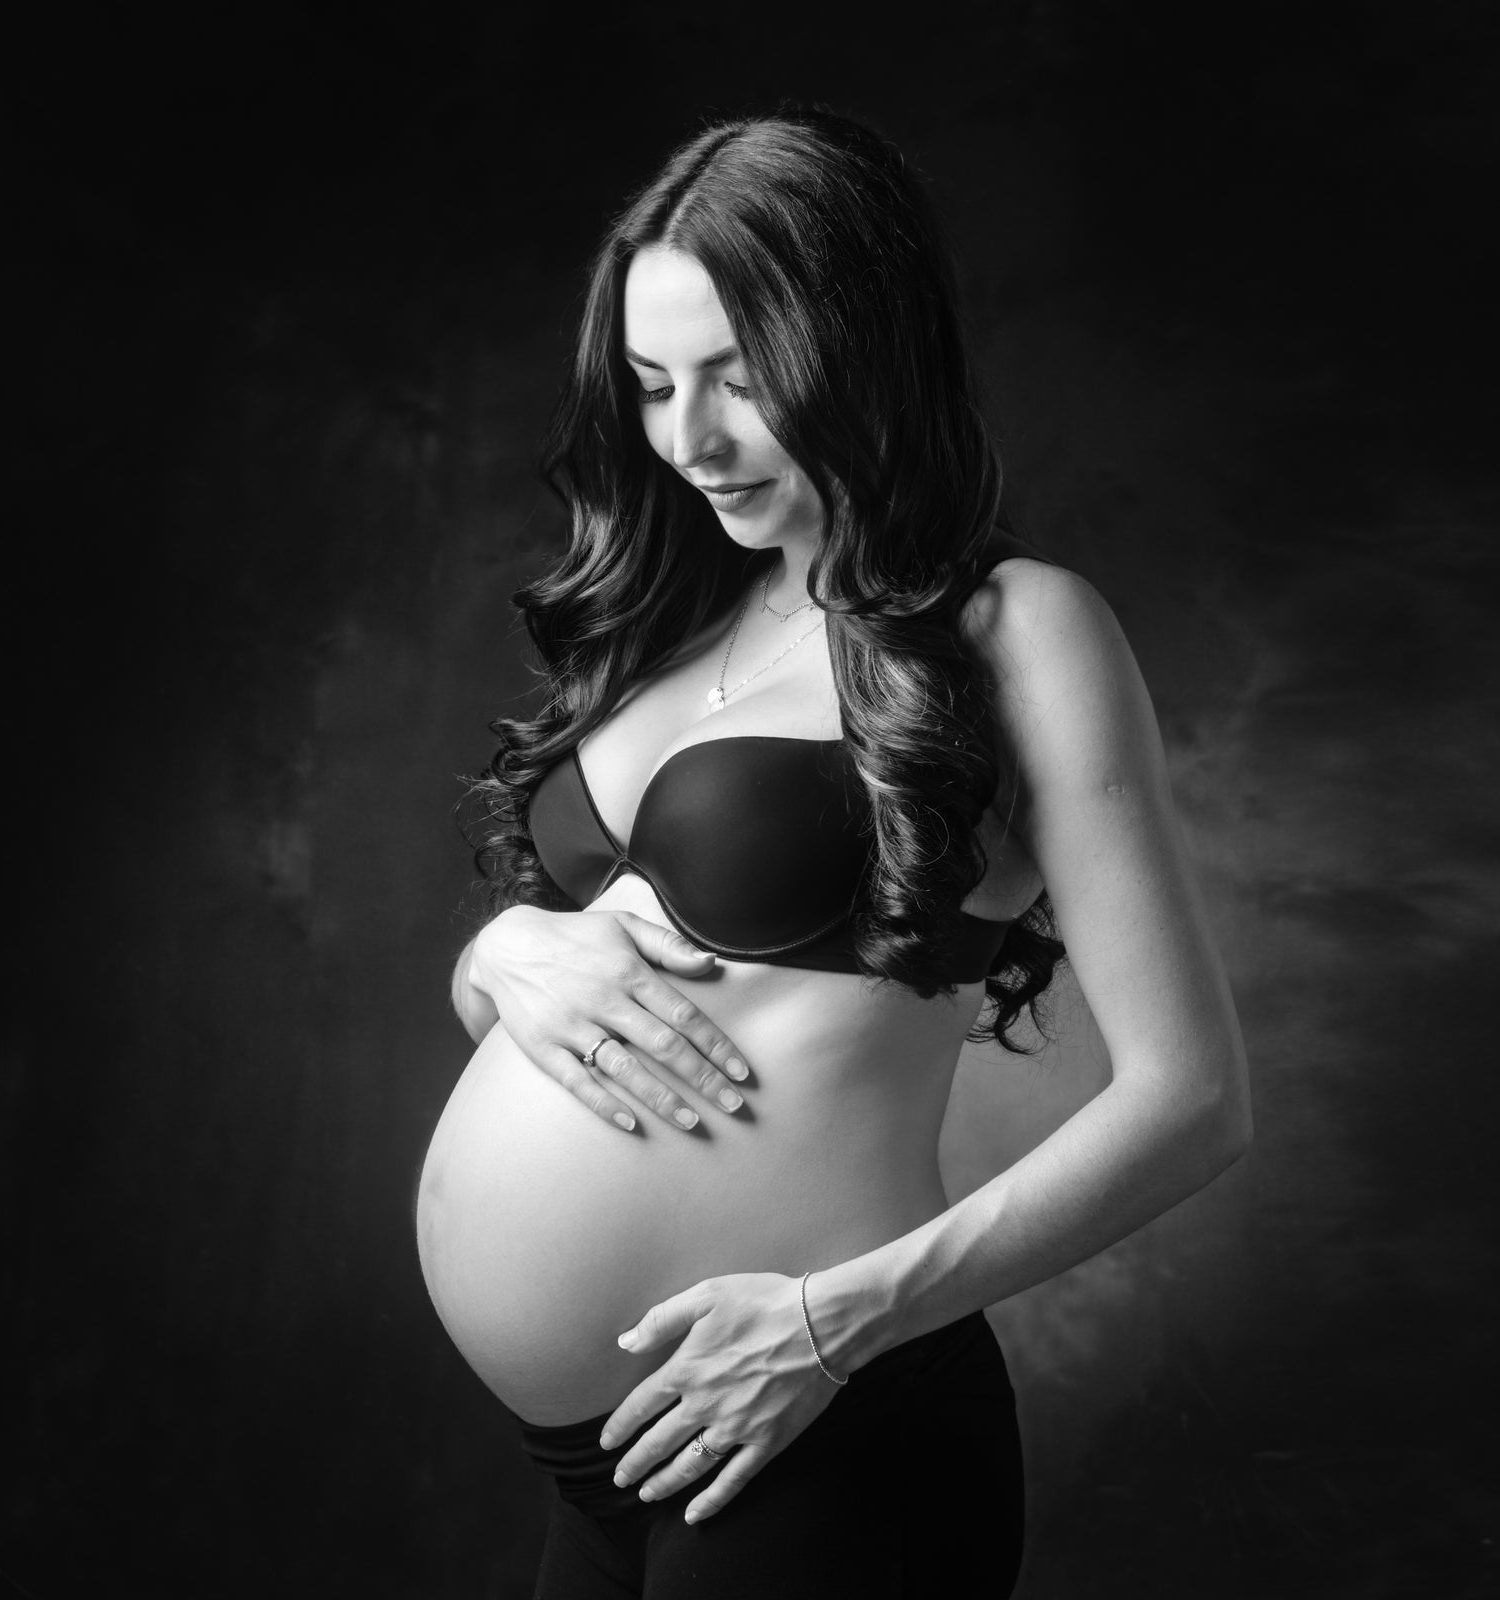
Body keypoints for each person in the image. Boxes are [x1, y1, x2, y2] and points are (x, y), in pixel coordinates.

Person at [417, 106, 1251, 1599]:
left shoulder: (1017, 633)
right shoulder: (677, 619)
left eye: (739, 378)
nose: (690, 439)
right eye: (656, 384)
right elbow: (584, 1005)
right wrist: (500, 955)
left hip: (821, 1428)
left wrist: (829, 1324)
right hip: (603, 1467)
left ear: (858, 342)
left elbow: (1194, 1102)